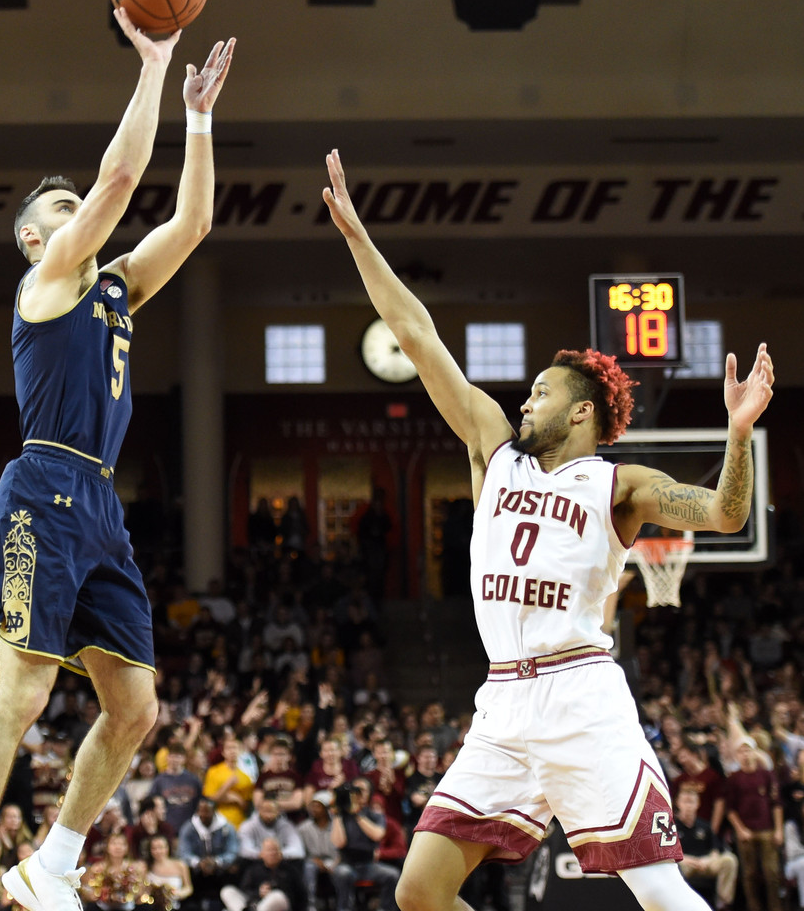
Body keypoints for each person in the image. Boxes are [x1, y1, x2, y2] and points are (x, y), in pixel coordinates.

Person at [321, 148, 775, 911]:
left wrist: (736, 435)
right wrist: (358, 239)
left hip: (579, 697)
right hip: (501, 702)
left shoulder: (619, 483)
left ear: (580, 411)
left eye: (539, 392)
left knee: (659, 889)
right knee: (419, 891)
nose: (523, 401)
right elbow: (415, 332)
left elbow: (725, 514)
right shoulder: (491, 451)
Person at [0, 12, 235, 911]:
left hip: (99, 500)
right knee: (20, 692)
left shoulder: (115, 285)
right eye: (59, 212)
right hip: (41, 485)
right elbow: (120, 178)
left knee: (136, 708)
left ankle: (51, 865)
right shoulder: (49, 279)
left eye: (75, 211)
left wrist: (200, 119)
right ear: (34, 239)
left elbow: (195, 218)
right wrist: (155, 64)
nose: (79, 216)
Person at [724, 737, 783, 911]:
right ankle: (754, 907)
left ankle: (776, 907)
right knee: (749, 875)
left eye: (748, 750)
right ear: (736, 756)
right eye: (741, 751)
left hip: (767, 829)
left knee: (771, 872)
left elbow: (776, 803)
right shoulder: (733, 779)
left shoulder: (766, 775)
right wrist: (740, 830)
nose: (745, 754)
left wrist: (779, 830)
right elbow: (730, 809)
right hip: (746, 831)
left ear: (754, 752)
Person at [329, 778, 399, 911]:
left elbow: (377, 834)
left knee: (392, 875)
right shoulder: (341, 816)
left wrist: (357, 815)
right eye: (355, 790)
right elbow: (339, 843)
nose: (358, 794)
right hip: (346, 863)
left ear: (369, 794)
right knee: (343, 874)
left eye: (362, 790)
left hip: (369, 864)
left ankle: (385, 908)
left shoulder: (375, 815)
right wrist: (337, 814)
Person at [674, 786, 738, 911]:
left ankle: (723, 904)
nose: (688, 805)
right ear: (678, 803)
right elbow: (670, 854)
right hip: (685, 863)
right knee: (677, 867)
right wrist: (689, 860)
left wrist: (706, 861)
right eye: (685, 801)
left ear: (697, 804)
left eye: (691, 802)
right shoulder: (671, 826)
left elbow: (715, 850)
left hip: (704, 862)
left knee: (729, 860)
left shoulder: (705, 825)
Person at [177, 796, 239, 911]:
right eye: (201, 811)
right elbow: (183, 853)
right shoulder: (188, 828)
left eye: (207, 811)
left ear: (214, 812)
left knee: (234, 869)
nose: (204, 815)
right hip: (196, 872)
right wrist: (199, 863)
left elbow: (232, 851)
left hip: (220, 870)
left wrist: (216, 862)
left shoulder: (227, 827)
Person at [220, 837, 305, 911]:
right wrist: (259, 893)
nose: (272, 853)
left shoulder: (290, 870)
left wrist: (273, 890)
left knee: (276, 896)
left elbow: (300, 895)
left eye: (275, 850)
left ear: (281, 853)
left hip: (279, 905)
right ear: (261, 854)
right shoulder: (253, 870)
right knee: (227, 891)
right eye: (269, 850)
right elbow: (245, 890)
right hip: (254, 903)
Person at [146, 836, 193, 911]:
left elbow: (189, 888)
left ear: (167, 848)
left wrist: (178, 893)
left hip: (174, 907)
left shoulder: (180, 865)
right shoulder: (146, 866)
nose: (158, 851)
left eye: (161, 847)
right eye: (154, 848)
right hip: (151, 907)